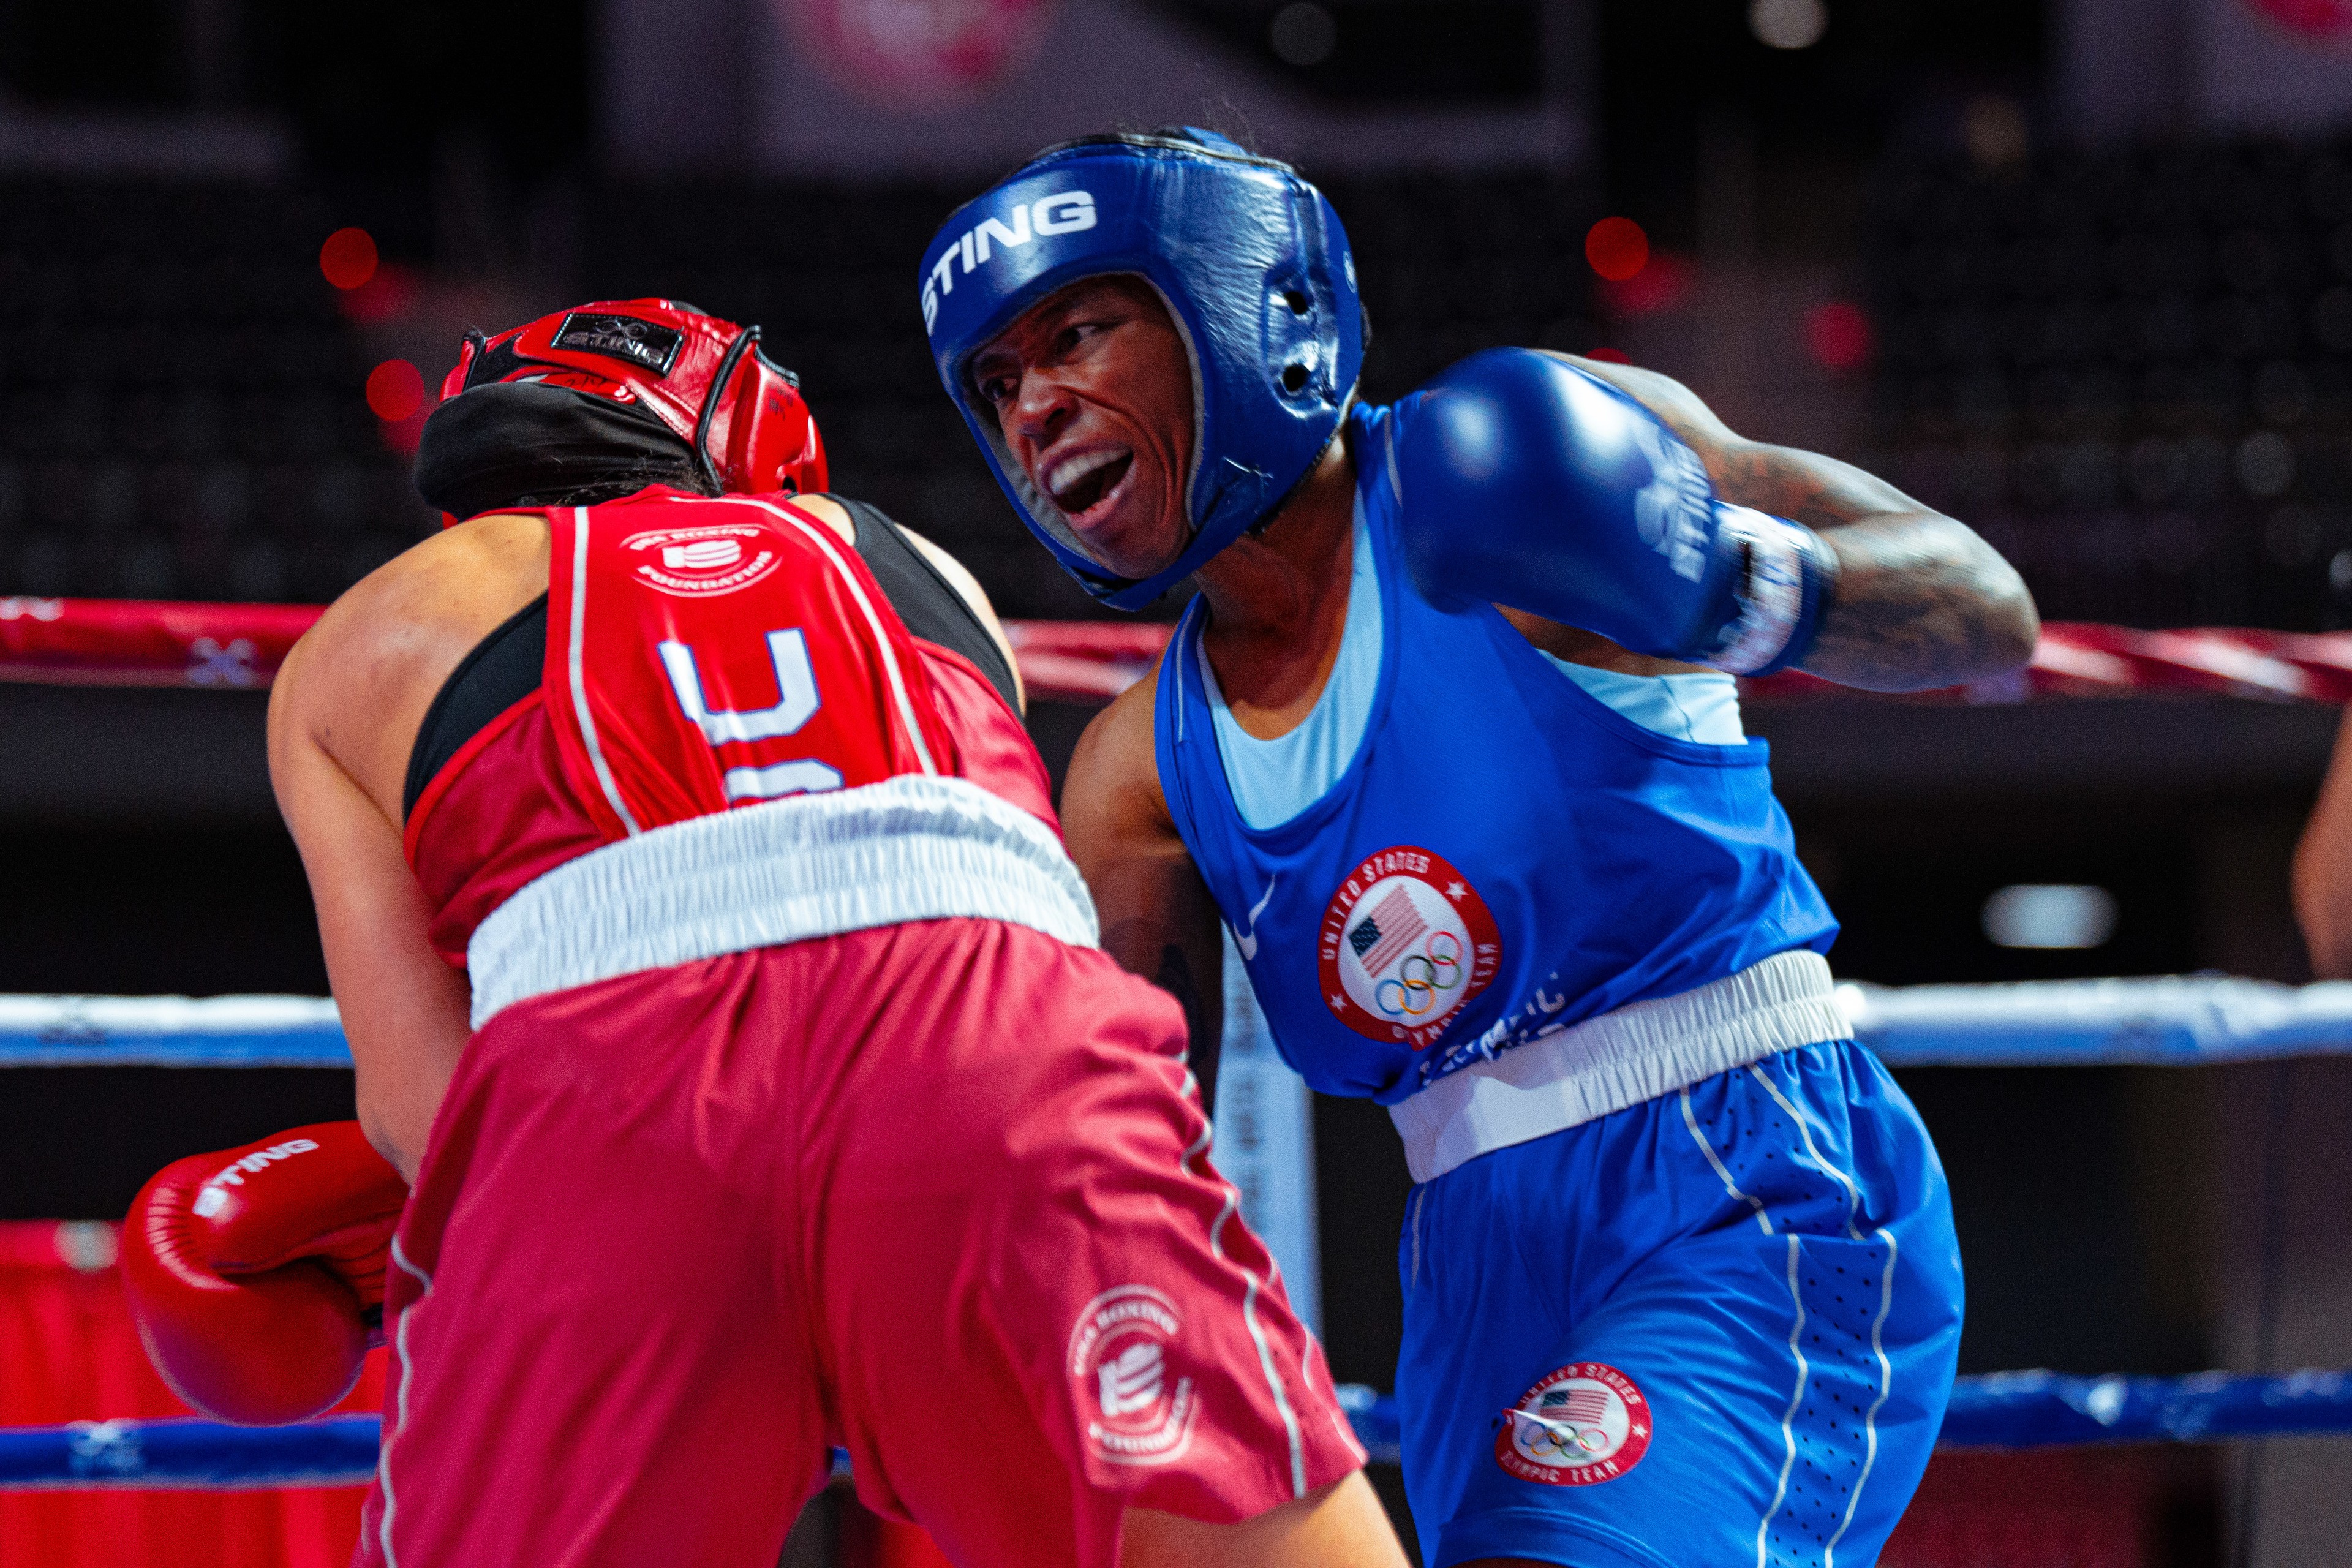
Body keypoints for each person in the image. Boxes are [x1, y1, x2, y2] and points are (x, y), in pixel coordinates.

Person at [123, 299, 1406, 1568]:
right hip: (998, 1068)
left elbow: (423, 1103)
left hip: (610, 1123)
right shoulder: (913, 564)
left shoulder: (366, 634)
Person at [922, 131, 2041, 1568]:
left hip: (1736, 1172)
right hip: (1465, 1264)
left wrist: (1722, 584)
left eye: (1076, 334)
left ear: (1243, 304)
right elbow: (1118, 1136)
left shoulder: (1527, 464)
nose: (1037, 408)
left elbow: (1987, 607)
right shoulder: (1141, 767)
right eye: (1000, 381)